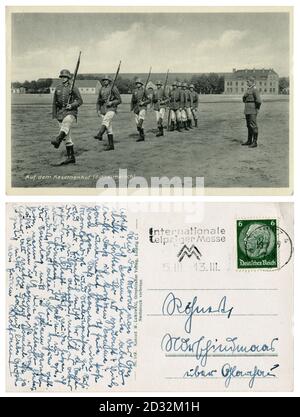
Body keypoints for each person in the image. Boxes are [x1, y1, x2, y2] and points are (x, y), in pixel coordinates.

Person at [51, 69, 83, 164]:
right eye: (62, 77)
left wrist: (72, 105)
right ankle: (71, 157)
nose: (63, 78)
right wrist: (55, 115)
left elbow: (80, 101)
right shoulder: (58, 88)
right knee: (67, 137)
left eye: (65, 77)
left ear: (68, 78)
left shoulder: (73, 88)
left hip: (71, 112)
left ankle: (58, 139)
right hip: (60, 113)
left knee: (66, 124)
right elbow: (54, 103)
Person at [94, 75, 122, 151]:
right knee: (108, 127)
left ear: (109, 81)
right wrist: (98, 110)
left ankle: (100, 134)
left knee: (105, 121)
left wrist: (112, 102)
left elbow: (119, 100)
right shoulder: (101, 89)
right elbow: (98, 100)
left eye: (106, 80)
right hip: (103, 110)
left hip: (111, 109)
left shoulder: (113, 88)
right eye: (104, 80)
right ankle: (111, 145)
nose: (105, 81)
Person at [242, 76, 262, 148]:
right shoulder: (249, 89)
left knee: (253, 125)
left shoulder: (255, 89)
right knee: (248, 125)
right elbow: (244, 99)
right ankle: (249, 141)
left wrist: (257, 109)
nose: (247, 82)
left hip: (253, 109)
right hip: (247, 109)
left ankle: (255, 142)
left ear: (252, 82)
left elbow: (259, 101)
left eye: (248, 81)